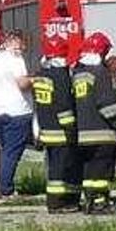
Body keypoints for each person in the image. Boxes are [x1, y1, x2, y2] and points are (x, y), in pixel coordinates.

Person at [72, 32, 116, 214]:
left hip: (83, 133)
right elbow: (106, 103)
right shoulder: (100, 73)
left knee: (88, 170)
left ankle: (89, 201)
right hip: (102, 131)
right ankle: (101, 202)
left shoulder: (78, 73)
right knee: (102, 169)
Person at [32, 39, 82, 213]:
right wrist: (70, 129)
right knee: (61, 169)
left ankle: (55, 202)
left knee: (54, 167)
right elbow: (64, 104)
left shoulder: (40, 74)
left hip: (46, 129)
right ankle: (57, 203)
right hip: (60, 131)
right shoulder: (60, 75)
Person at [0, 32, 34, 199]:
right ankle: (5, 189)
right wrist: (34, 80)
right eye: (22, 45)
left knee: (5, 150)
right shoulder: (15, 60)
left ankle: (2, 184)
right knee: (12, 152)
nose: (23, 49)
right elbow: (22, 84)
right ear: (14, 43)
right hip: (17, 110)